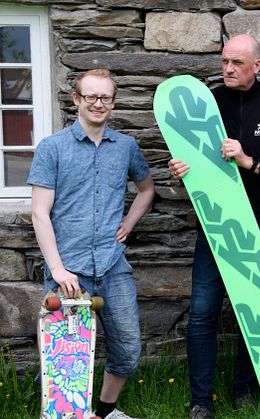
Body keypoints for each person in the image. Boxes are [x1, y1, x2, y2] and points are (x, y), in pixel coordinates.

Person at [167, 34, 260, 419]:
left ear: (257, 66)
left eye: (237, 63)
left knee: (258, 313)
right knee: (202, 312)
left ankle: (245, 390)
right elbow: (189, 160)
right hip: (215, 227)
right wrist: (181, 170)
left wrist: (249, 162)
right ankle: (200, 400)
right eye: (225, 61)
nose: (228, 69)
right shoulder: (205, 103)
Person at [29, 69, 155, 419]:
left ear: (113, 102)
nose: (98, 104)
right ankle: (60, 411)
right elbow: (40, 213)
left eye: (105, 98)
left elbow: (147, 190)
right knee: (63, 356)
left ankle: (104, 413)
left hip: (113, 267)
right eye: (91, 97)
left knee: (128, 349)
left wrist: (129, 222)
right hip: (68, 271)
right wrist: (57, 268)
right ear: (76, 100)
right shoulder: (52, 148)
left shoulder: (126, 147)